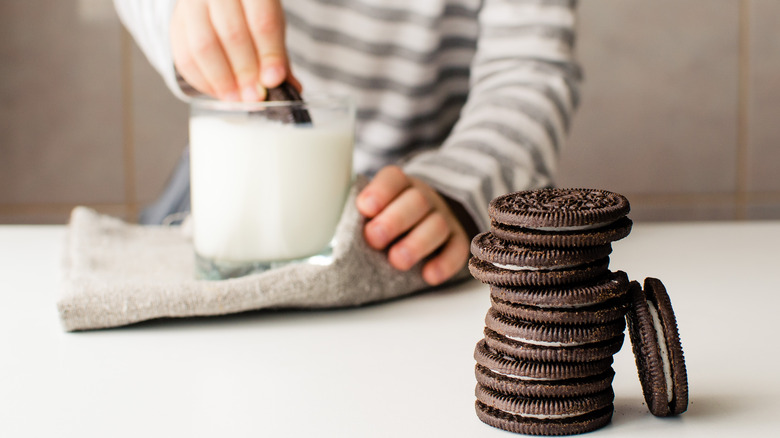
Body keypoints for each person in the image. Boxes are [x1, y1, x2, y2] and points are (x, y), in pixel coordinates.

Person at [113, 0, 581, 287]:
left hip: (427, 204)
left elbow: (529, 71)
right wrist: (181, 13)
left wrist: (462, 185)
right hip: (225, 191)